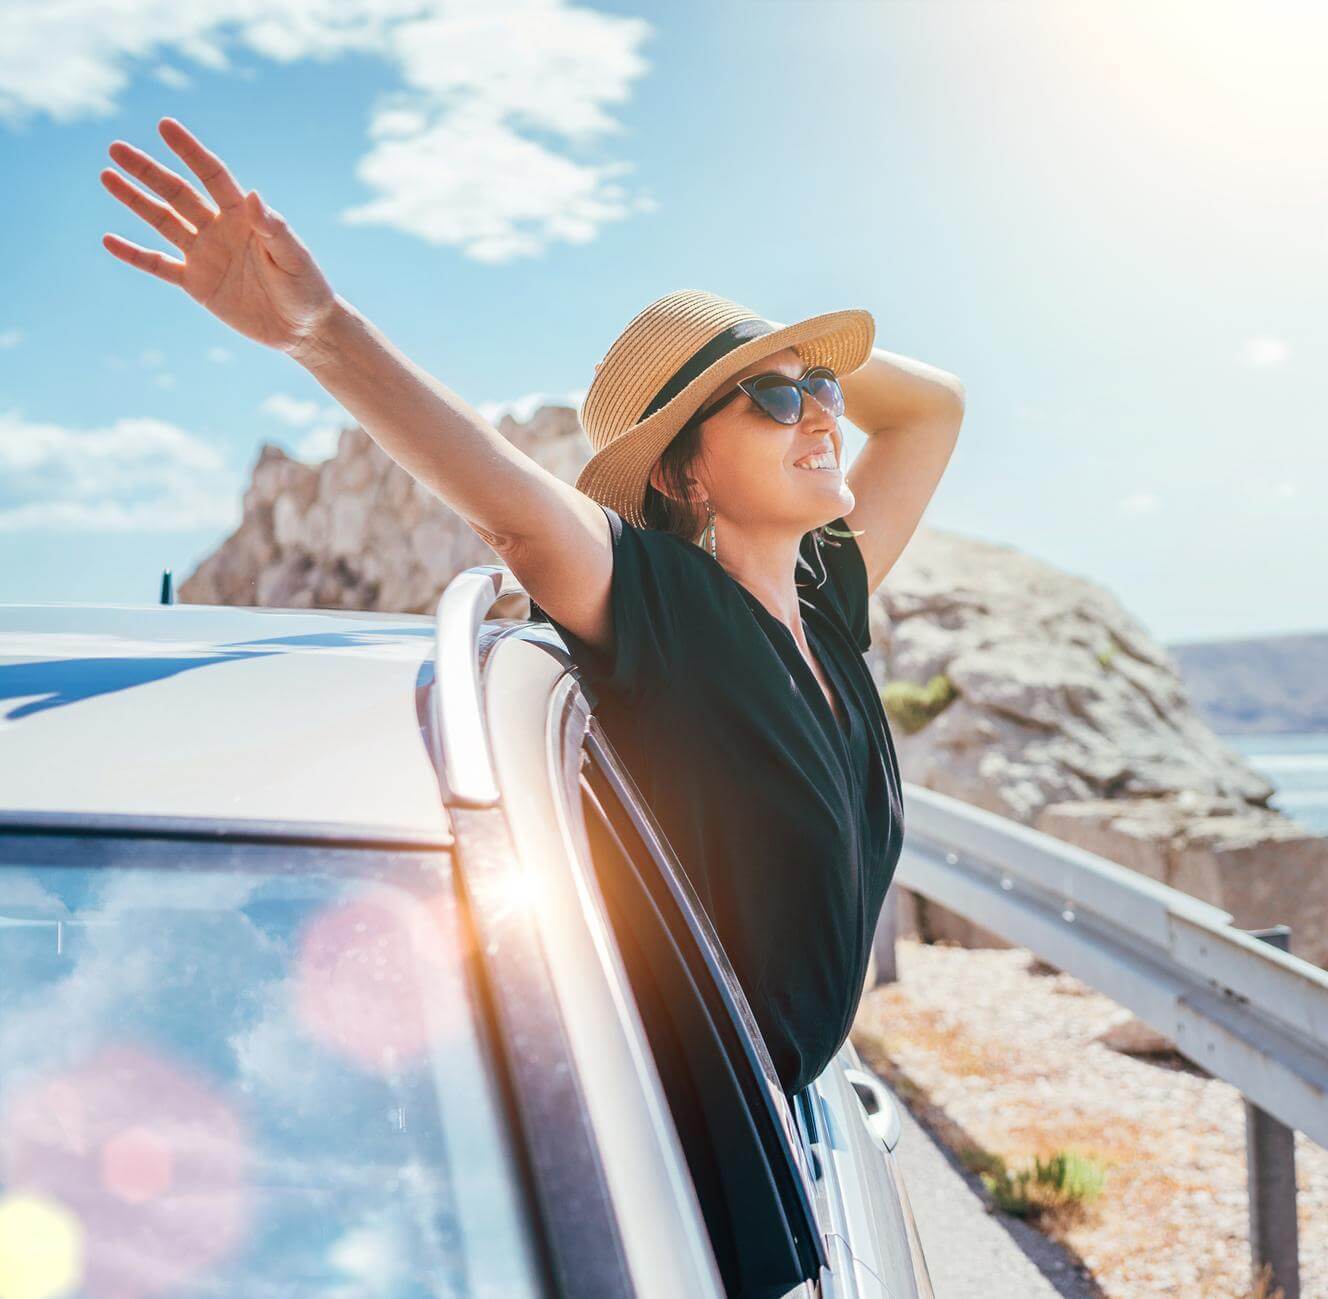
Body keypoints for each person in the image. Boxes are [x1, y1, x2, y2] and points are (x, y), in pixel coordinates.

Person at [98, 117, 964, 1096]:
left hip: (781, 1124)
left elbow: (933, 408)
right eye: (770, 401)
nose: (818, 416)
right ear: (680, 474)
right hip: (692, 1149)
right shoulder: (675, 613)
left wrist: (778, 351)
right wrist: (320, 332)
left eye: (823, 392)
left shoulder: (826, 602)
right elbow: (516, 516)